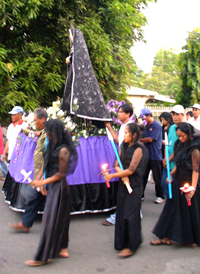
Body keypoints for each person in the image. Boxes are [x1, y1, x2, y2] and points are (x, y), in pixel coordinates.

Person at [25, 119, 78, 266]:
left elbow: (61, 174)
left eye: (48, 131)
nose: (46, 133)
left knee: (50, 221)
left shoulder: (63, 150)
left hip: (59, 189)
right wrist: (39, 178)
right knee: (60, 219)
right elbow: (46, 163)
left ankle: (44, 256)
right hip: (53, 185)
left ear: (54, 132)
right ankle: (62, 248)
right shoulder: (52, 146)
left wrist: (42, 182)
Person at [103, 123, 149, 258]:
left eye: (126, 133)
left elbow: (132, 170)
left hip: (134, 185)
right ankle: (122, 243)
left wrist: (114, 175)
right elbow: (116, 165)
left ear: (134, 135)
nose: (124, 136)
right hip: (124, 184)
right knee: (122, 213)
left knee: (130, 214)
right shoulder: (123, 146)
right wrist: (122, 176)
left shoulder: (139, 149)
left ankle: (132, 245)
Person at [151, 122, 200, 247]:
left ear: (189, 134)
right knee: (170, 209)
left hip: (189, 183)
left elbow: (195, 169)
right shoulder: (179, 144)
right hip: (177, 181)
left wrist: (193, 188)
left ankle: (190, 239)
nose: (181, 138)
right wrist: (171, 174)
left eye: (183, 136)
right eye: (179, 136)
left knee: (188, 211)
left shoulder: (194, 148)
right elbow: (178, 163)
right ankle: (165, 237)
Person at [9, 108, 48, 232]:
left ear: (43, 119)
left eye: (36, 120)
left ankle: (57, 236)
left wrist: (42, 177)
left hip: (49, 175)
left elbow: (49, 156)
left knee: (53, 202)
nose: (34, 123)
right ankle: (25, 224)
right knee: (35, 198)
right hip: (43, 174)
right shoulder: (44, 132)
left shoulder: (50, 134)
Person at [102, 104, 133, 226]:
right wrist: (109, 127)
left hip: (126, 158)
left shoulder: (130, 126)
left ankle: (120, 215)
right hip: (121, 156)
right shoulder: (122, 127)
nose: (118, 114)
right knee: (125, 185)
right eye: (118, 112)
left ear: (128, 114)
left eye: (121, 112)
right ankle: (135, 211)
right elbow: (118, 140)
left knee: (126, 185)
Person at [139, 108, 164, 203]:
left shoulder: (156, 125)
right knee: (143, 176)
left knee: (157, 177)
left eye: (144, 117)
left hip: (155, 156)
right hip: (146, 155)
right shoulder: (146, 126)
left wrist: (139, 140)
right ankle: (141, 195)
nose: (143, 119)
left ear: (149, 115)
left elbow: (150, 139)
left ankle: (160, 196)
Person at [161, 105, 185, 198]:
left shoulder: (184, 128)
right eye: (173, 114)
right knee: (164, 184)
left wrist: (168, 159)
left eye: (177, 114)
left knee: (174, 188)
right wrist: (165, 158)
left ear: (182, 115)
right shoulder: (171, 128)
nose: (174, 116)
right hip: (167, 162)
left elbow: (180, 147)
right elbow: (167, 144)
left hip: (176, 163)